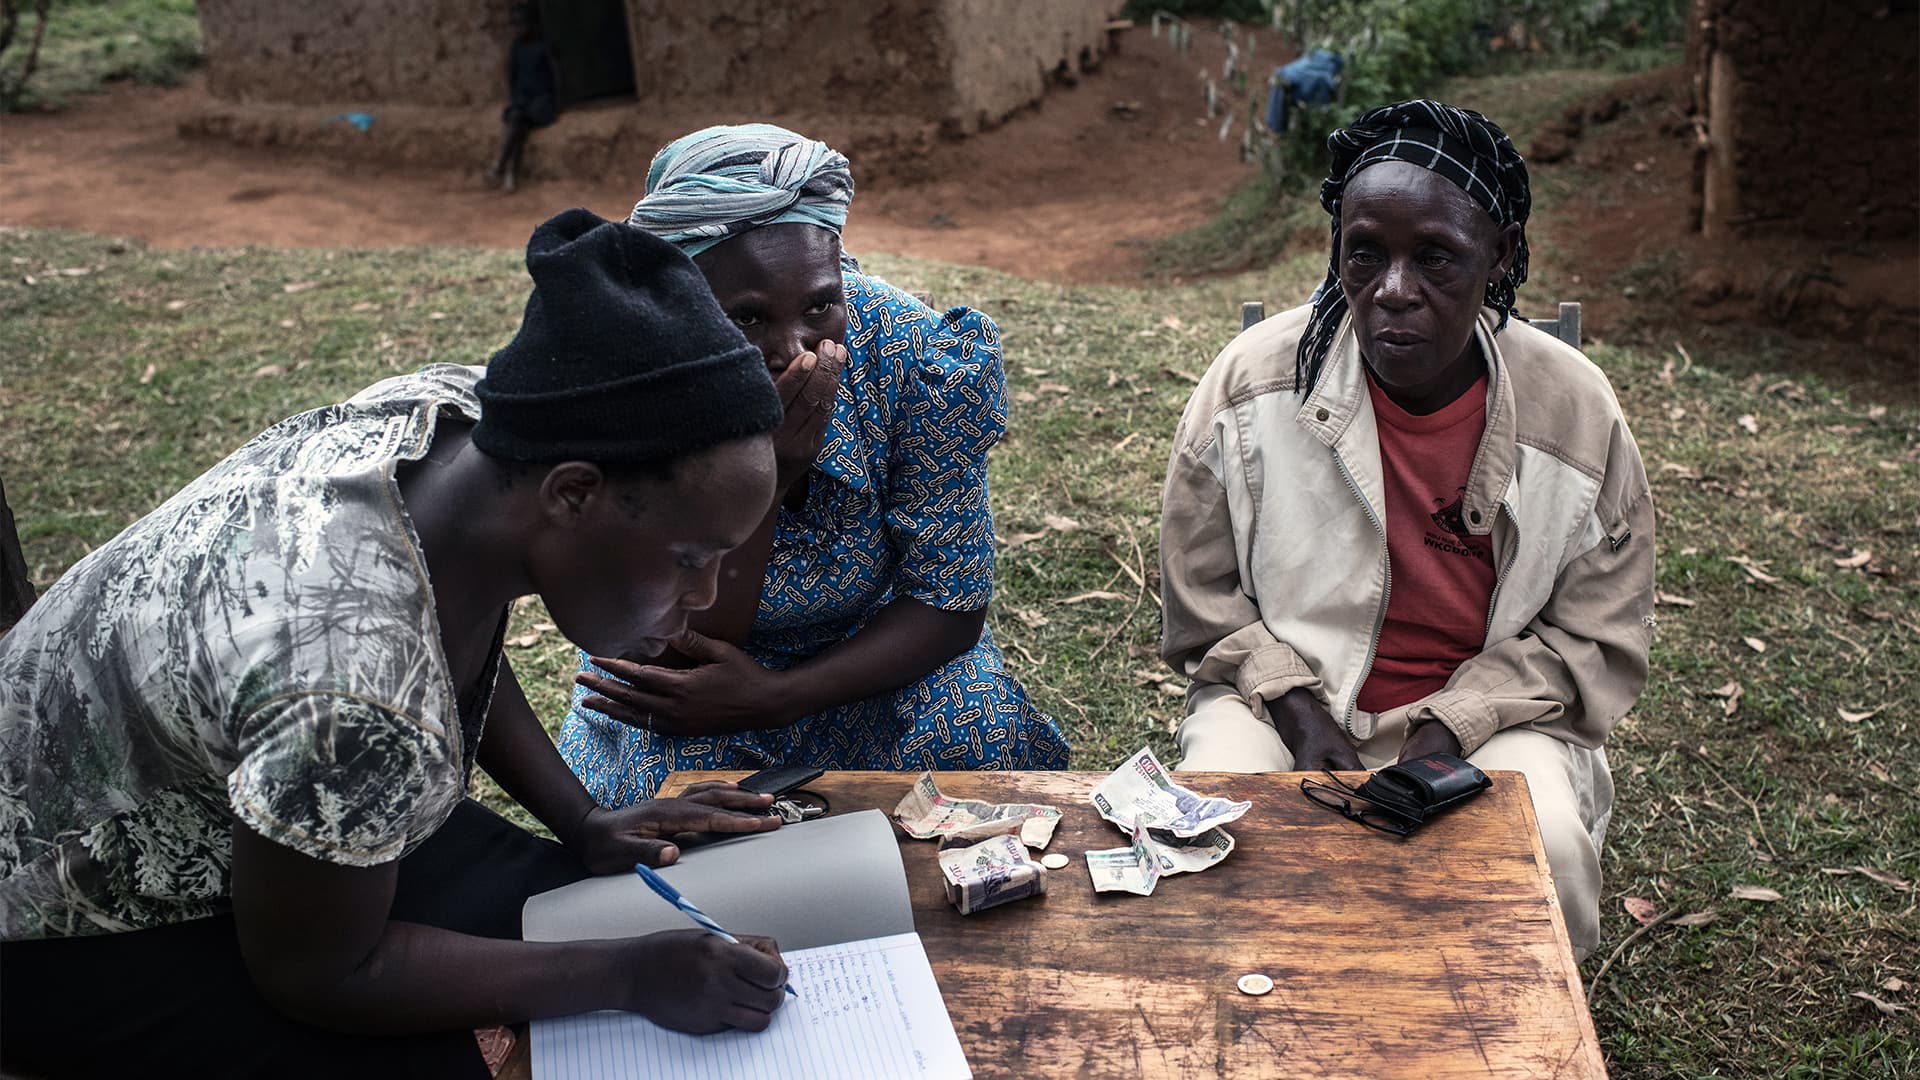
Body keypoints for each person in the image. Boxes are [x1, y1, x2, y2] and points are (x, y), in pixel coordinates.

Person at [0, 209, 800, 1075]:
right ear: (574, 495)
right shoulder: (349, 685)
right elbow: (321, 973)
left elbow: (444, 638)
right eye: (690, 557)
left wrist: (584, 818)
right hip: (59, 923)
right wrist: (628, 977)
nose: (707, 595)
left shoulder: (463, 427)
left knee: (556, 904)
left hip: (262, 802)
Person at [1158, 100, 1653, 958]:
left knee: (1543, 858)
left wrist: (1447, 726)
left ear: (1499, 256)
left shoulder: (1577, 413)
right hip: (1282, 698)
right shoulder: (1249, 386)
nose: (1392, 290)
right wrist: (1298, 710)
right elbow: (1205, 603)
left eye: (1435, 258)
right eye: (1365, 253)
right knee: (1216, 835)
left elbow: (1595, 639)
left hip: (1498, 716)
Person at [558, 123, 1070, 806]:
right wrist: (765, 475)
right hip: (695, 677)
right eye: (746, 318)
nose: (794, 350)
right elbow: (679, 646)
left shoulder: (913, 356)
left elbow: (950, 605)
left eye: (819, 306)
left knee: (977, 742)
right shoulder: (637, 380)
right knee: (671, 806)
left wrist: (778, 696)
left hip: (869, 661)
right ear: (681, 302)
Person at [487, 2, 557, 193]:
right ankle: (509, 173)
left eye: (521, 24)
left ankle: (500, 167)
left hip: (541, 103)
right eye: (515, 25)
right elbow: (513, 78)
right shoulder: (517, 48)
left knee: (518, 122)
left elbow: (554, 79)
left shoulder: (544, 46)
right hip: (524, 102)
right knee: (518, 123)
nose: (518, 29)